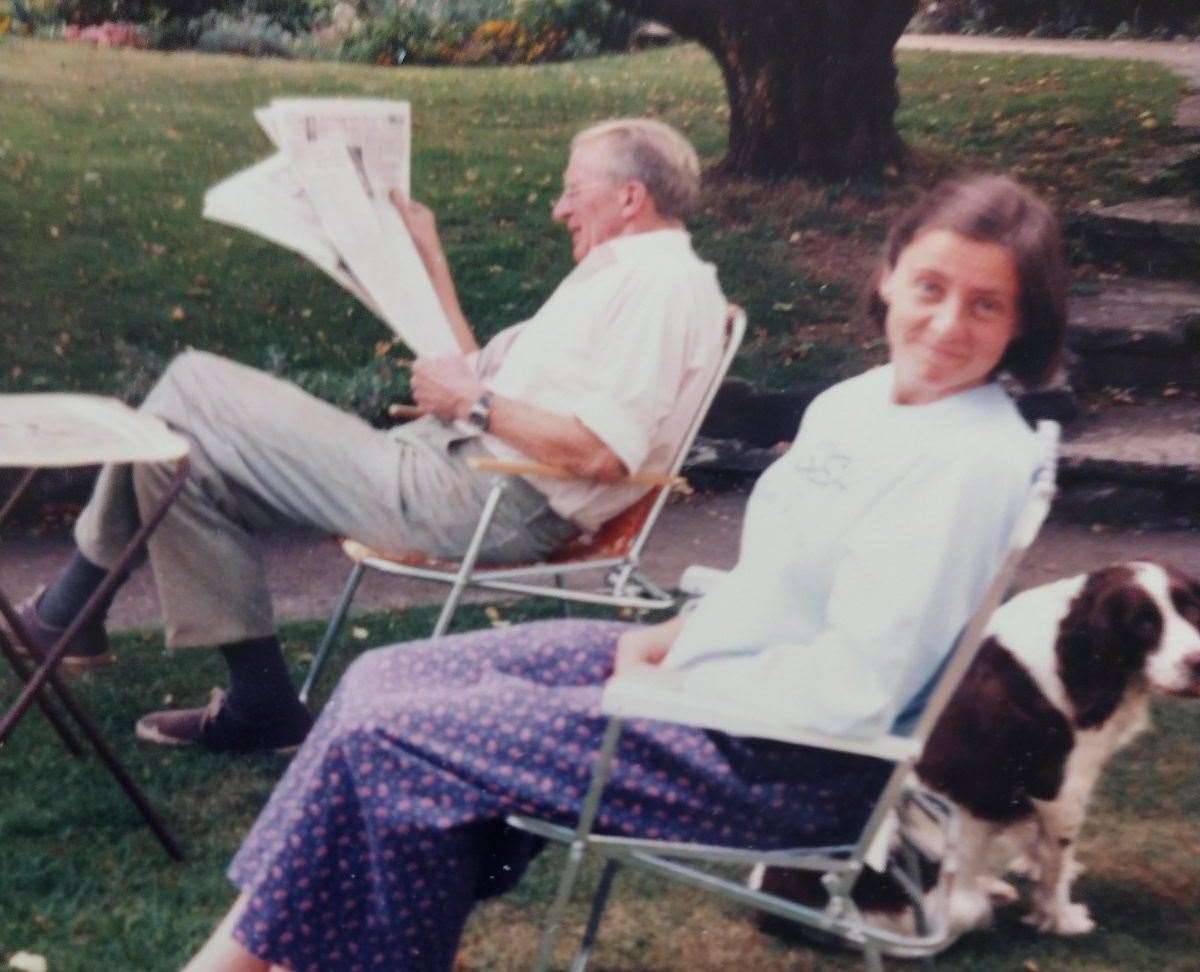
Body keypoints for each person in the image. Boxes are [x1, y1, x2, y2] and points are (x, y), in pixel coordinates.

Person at [180, 172, 1067, 972]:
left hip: (784, 760)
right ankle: (257, 960)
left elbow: (856, 690)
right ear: (889, 275)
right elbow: (782, 587)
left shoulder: (966, 465)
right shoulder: (858, 404)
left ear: (1022, 322)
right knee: (381, 679)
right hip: (723, 687)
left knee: (396, 741)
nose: (947, 325)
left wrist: (670, 679)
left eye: (985, 306)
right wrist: (672, 636)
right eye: (931, 287)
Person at [9, 118, 728, 753]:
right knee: (177, 462)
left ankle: (68, 611)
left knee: (191, 386)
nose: (558, 207)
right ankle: (259, 703)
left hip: (480, 499)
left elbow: (602, 453)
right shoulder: (619, 277)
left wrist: (474, 405)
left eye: (574, 190)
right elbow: (472, 372)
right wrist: (426, 253)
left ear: (631, 198)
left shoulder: (659, 288)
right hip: (457, 471)